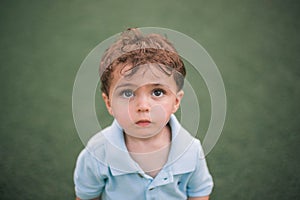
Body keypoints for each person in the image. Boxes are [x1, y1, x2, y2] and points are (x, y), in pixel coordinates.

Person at [74, 28, 213, 200]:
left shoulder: (191, 149)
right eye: (127, 93)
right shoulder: (97, 152)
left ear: (176, 101)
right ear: (109, 103)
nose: (143, 106)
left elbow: (199, 194)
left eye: (157, 92)